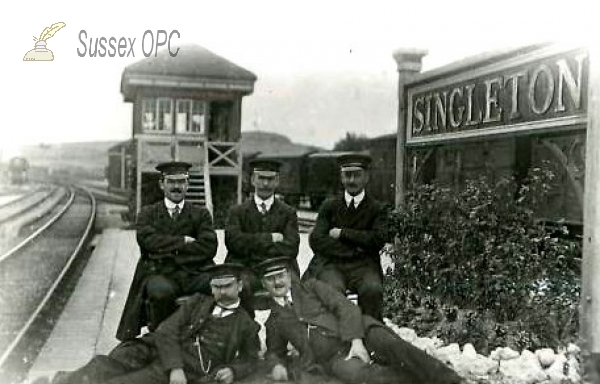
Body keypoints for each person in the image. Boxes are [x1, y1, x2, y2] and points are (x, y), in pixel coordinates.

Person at [39, 263, 260, 384]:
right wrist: (175, 368)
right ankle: (59, 381)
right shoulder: (198, 301)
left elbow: (252, 359)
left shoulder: (246, 324)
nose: (220, 292)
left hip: (185, 369)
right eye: (216, 286)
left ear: (240, 286)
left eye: (227, 286)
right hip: (156, 348)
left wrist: (233, 370)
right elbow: (166, 330)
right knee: (103, 364)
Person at [258, 257, 462, 384]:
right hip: (333, 357)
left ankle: (451, 380)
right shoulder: (274, 320)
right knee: (362, 376)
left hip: (360, 329)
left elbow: (345, 307)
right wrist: (277, 366)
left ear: (289, 275)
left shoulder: (310, 287)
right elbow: (274, 352)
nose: (277, 282)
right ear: (263, 284)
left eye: (280, 275)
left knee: (393, 346)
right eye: (270, 279)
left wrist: (356, 340)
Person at [116, 161, 218, 341]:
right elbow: (148, 242)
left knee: (220, 286)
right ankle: (162, 340)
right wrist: (183, 241)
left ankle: (205, 337)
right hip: (160, 273)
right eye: (171, 182)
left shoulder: (200, 214)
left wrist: (166, 250)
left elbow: (209, 246)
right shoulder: (148, 213)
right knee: (160, 292)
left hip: (194, 274)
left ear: (187, 184)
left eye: (181, 182)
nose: (176, 187)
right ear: (162, 184)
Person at [307, 153, 387, 320]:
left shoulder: (377, 209)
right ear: (341, 177)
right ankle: (335, 336)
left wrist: (342, 233)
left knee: (372, 290)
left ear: (366, 177)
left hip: (364, 266)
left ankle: (371, 333)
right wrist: (356, 248)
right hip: (332, 265)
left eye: (357, 175)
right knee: (332, 289)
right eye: (347, 175)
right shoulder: (329, 206)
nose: (351, 180)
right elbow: (317, 240)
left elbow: (377, 240)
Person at [224, 158, 300, 315]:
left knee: (297, 288)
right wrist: (270, 238)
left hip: (279, 268)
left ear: (277, 181)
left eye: (270, 179)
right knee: (240, 286)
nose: (265, 184)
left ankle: (281, 332)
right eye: (261, 178)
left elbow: (291, 247)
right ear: (253, 180)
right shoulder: (237, 212)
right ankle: (247, 332)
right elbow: (234, 243)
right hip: (247, 268)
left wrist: (251, 243)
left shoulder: (288, 213)